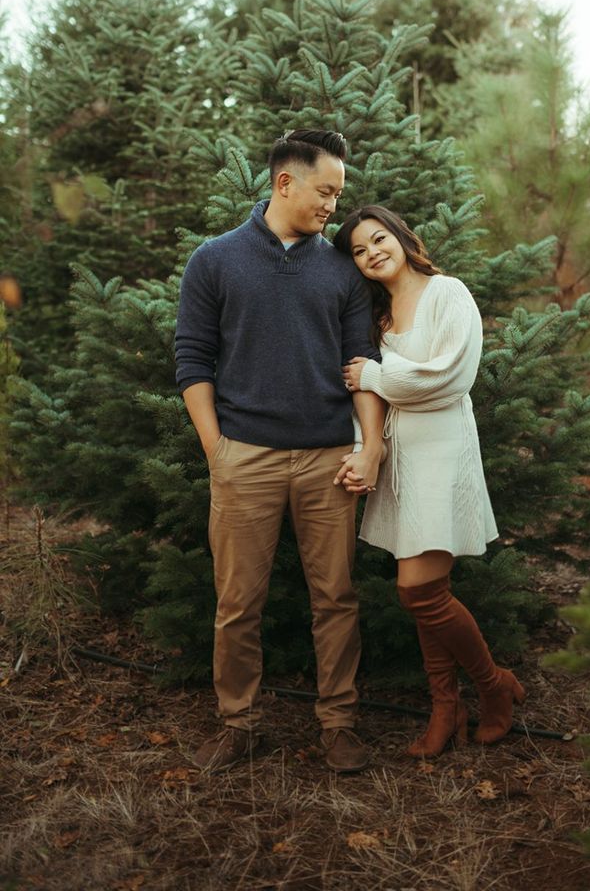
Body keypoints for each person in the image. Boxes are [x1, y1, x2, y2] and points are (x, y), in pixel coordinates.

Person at [175, 130, 385, 774]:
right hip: (246, 458)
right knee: (237, 602)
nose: (333, 205)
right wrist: (218, 450)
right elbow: (191, 359)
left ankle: (339, 726)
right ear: (284, 183)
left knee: (337, 599)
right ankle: (238, 724)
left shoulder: (341, 271)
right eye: (326, 191)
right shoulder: (214, 261)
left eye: (339, 194)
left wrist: (370, 447)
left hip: (328, 459)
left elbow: (364, 364)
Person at [334, 205, 526, 757]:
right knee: (427, 594)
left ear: (398, 235)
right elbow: (365, 398)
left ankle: (494, 687)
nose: (373, 253)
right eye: (360, 251)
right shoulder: (378, 316)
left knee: (417, 589)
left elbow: (450, 378)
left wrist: (374, 373)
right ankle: (446, 708)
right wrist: (364, 448)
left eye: (378, 239)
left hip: (443, 451)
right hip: (402, 460)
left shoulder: (448, 293)